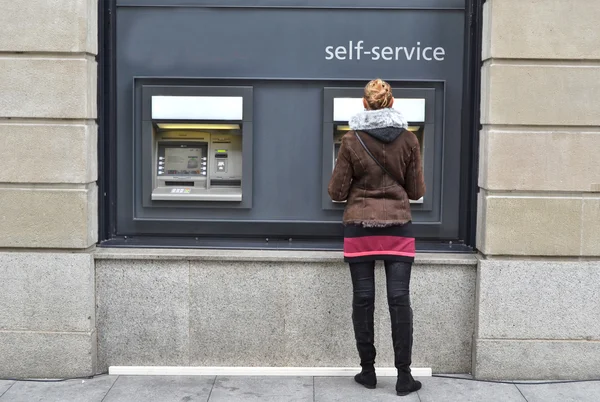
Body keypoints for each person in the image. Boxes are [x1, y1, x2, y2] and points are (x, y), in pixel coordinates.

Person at [328, 78, 426, 396]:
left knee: (363, 298)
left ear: (364, 103)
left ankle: (368, 372)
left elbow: (337, 192)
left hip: (360, 226)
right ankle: (404, 377)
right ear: (392, 103)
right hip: (398, 227)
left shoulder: (351, 141)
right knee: (399, 300)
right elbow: (416, 191)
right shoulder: (410, 140)